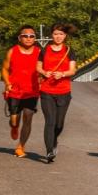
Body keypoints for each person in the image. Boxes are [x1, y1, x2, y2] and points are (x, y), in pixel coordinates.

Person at [36, 23, 77, 163]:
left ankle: (54, 141)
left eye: (61, 34)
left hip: (64, 91)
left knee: (59, 124)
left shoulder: (69, 50)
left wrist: (63, 74)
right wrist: (44, 72)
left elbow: (73, 70)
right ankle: (49, 151)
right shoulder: (44, 50)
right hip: (47, 90)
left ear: (65, 35)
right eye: (55, 34)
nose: (58, 37)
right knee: (50, 121)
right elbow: (38, 67)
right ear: (51, 35)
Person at [1, 25, 41, 158]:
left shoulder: (39, 52)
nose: (29, 38)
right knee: (14, 120)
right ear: (19, 38)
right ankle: (14, 126)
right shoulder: (12, 51)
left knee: (28, 116)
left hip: (32, 91)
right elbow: (5, 69)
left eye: (32, 36)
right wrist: (7, 83)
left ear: (35, 38)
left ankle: (20, 146)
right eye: (25, 36)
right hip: (15, 91)